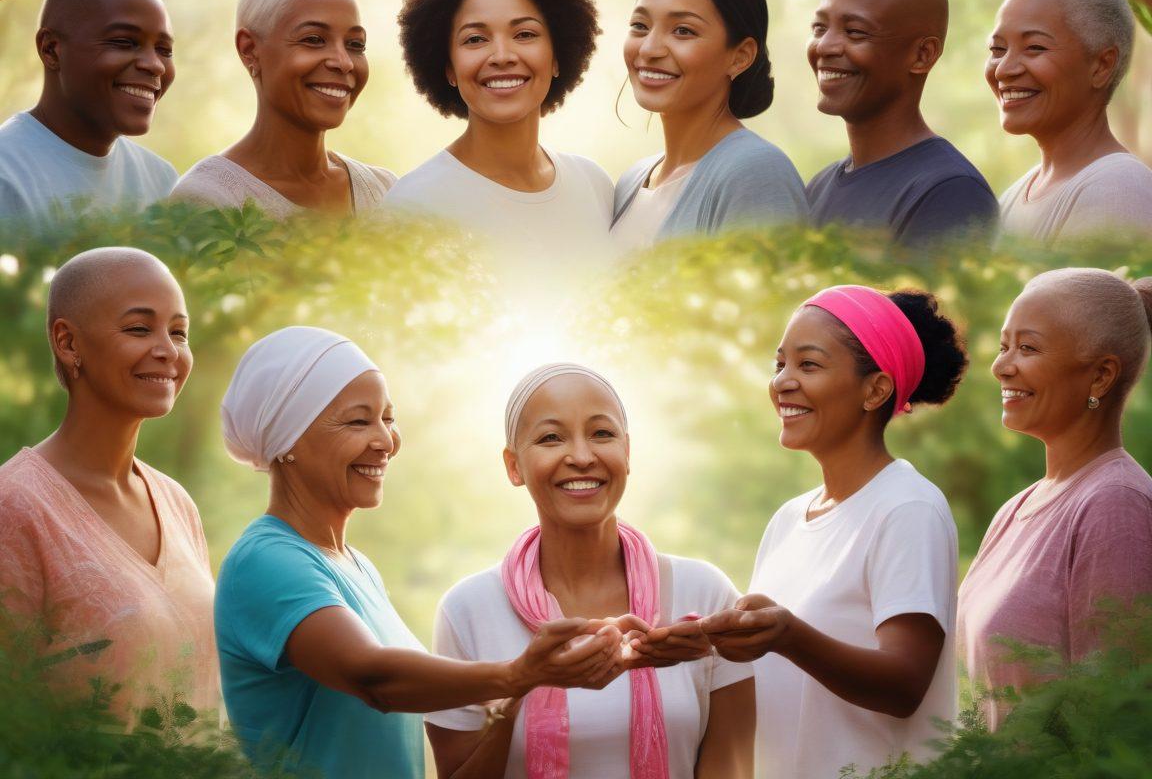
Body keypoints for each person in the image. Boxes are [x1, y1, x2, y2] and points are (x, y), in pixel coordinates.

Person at [214, 329, 625, 779]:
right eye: (358, 421)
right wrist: (518, 673)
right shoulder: (266, 561)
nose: (386, 440)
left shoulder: (355, 566)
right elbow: (374, 679)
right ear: (287, 438)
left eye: (388, 419)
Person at [425, 363, 755, 778]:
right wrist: (521, 685)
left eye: (602, 433)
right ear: (513, 466)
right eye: (550, 438)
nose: (582, 456)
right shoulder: (468, 610)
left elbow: (734, 765)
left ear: (627, 452)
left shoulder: (702, 594)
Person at [700, 285, 966, 779]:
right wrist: (699, 645)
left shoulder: (907, 509)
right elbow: (769, 668)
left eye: (809, 365)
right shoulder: (787, 520)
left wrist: (788, 635)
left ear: (875, 390)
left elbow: (904, 684)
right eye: (780, 363)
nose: (782, 381)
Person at [0, 247, 216, 717]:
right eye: (139, 328)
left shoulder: (177, 503)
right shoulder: (14, 507)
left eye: (179, 332)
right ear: (68, 343)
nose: (167, 350)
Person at [958, 269, 1152, 729]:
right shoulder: (1015, 510)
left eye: (1027, 348)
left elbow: (1115, 726)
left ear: (1102, 375)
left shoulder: (1116, 505)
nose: (1002, 365)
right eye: (1005, 345)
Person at [389, 0, 613, 281]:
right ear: (447, 67)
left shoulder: (595, 185)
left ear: (558, 57)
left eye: (525, 34)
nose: (502, 56)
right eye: (475, 39)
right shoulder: (414, 205)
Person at [612, 0, 807, 250]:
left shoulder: (756, 174)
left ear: (740, 56)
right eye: (640, 26)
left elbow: (771, 296)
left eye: (683, 31)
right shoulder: (632, 180)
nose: (649, 48)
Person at [170, 0, 393, 217]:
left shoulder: (386, 192)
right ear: (250, 50)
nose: (343, 62)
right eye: (313, 40)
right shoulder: (208, 201)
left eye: (355, 45)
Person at [804, 0, 998, 247]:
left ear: (922, 55)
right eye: (820, 28)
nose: (825, 46)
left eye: (855, 32)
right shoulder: (819, 188)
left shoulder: (949, 193)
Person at [0, 0, 177, 227]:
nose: (155, 65)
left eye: (164, 49)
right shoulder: (8, 177)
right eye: (123, 43)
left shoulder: (161, 181)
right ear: (51, 50)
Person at [990, 0, 1152, 244]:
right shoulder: (1014, 196)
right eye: (998, 49)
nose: (1004, 69)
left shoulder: (1116, 188)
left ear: (1101, 66)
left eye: (1035, 47)